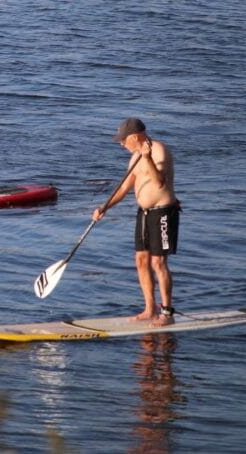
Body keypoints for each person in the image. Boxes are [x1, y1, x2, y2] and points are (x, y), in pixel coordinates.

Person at [92, 118, 180, 326]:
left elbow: (159, 184)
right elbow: (123, 189)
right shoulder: (134, 159)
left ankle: (167, 313)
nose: (122, 144)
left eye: (123, 140)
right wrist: (104, 207)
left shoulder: (159, 152)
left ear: (135, 136)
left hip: (163, 213)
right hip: (144, 213)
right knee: (141, 260)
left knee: (158, 262)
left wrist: (147, 158)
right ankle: (150, 309)